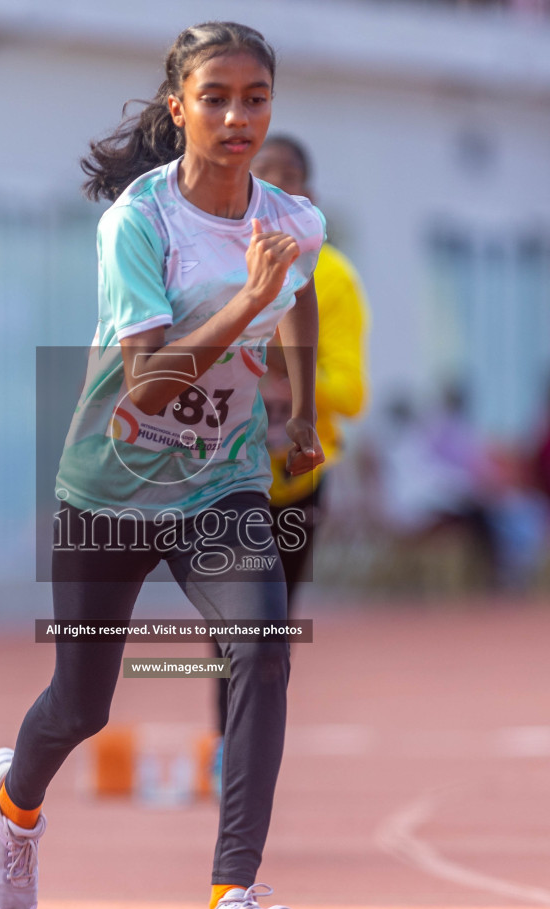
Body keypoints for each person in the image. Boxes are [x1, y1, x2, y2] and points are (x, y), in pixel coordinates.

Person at [0, 22, 325, 909]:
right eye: (216, 97)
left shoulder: (295, 223)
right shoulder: (139, 222)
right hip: (111, 483)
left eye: (255, 98)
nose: (237, 116)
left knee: (262, 646)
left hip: (221, 483)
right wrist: (247, 305)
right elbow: (147, 389)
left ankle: (228, 907)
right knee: (82, 707)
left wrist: (298, 402)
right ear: (180, 108)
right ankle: (15, 806)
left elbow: (302, 291)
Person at [209, 134, 369, 744]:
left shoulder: (333, 278)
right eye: (261, 176)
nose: (275, 190)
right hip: (221, 478)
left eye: (289, 178)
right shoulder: (215, 262)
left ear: (310, 194)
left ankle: (251, 751)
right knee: (228, 628)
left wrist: (288, 378)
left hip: (296, 481)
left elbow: (352, 392)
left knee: (269, 633)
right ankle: (229, 751)